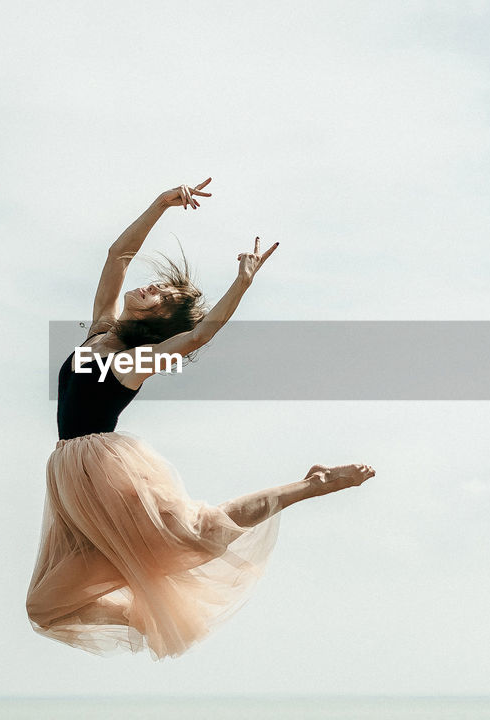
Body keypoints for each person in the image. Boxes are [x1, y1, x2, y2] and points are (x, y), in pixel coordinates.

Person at [26, 178, 376, 658]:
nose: (149, 289)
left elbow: (195, 339)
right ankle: (143, 620)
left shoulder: (134, 361)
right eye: (157, 287)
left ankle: (312, 484)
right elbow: (117, 258)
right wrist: (160, 204)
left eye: (160, 298)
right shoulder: (102, 331)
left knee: (198, 535)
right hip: (70, 478)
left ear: (156, 322)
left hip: (103, 473)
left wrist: (242, 283)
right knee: (43, 606)